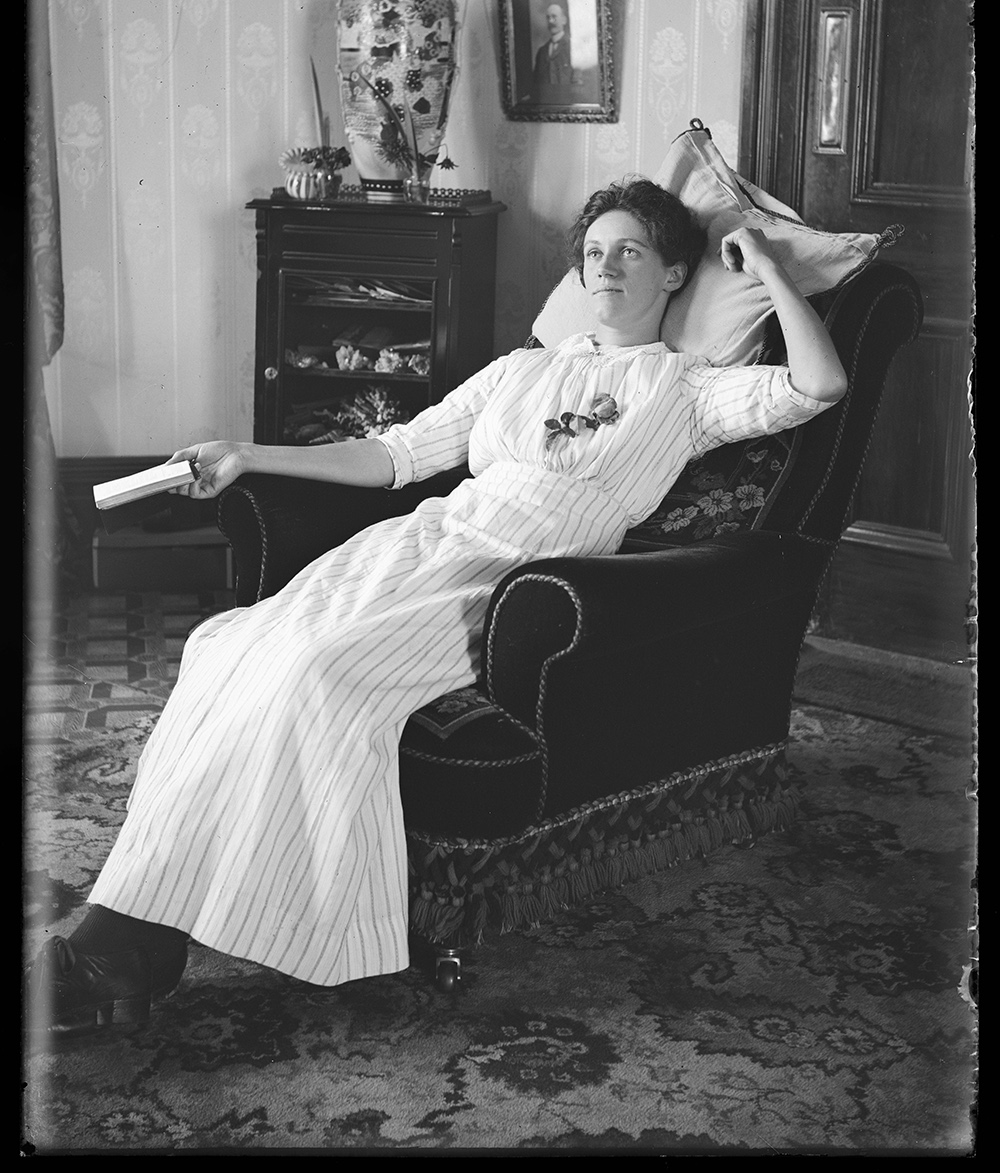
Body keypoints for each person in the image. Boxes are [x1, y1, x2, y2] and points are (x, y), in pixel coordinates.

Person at [26, 177, 848, 1040]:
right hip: (420, 542)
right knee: (227, 643)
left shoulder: (689, 389)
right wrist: (244, 453)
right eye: (595, 252)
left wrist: (760, 262)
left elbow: (819, 384)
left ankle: (143, 945)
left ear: (675, 273)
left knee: (318, 671)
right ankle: (130, 942)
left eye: (630, 251)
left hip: (515, 573)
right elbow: (394, 455)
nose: (605, 267)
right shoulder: (520, 370)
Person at [529, 3, 582, 105]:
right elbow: (536, 85)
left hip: (567, 106)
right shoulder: (542, 52)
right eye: (548, 18)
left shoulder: (574, 48)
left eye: (554, 17)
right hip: (545, 107)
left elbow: (578, 84)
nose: (550, 21)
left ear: (564, 20)